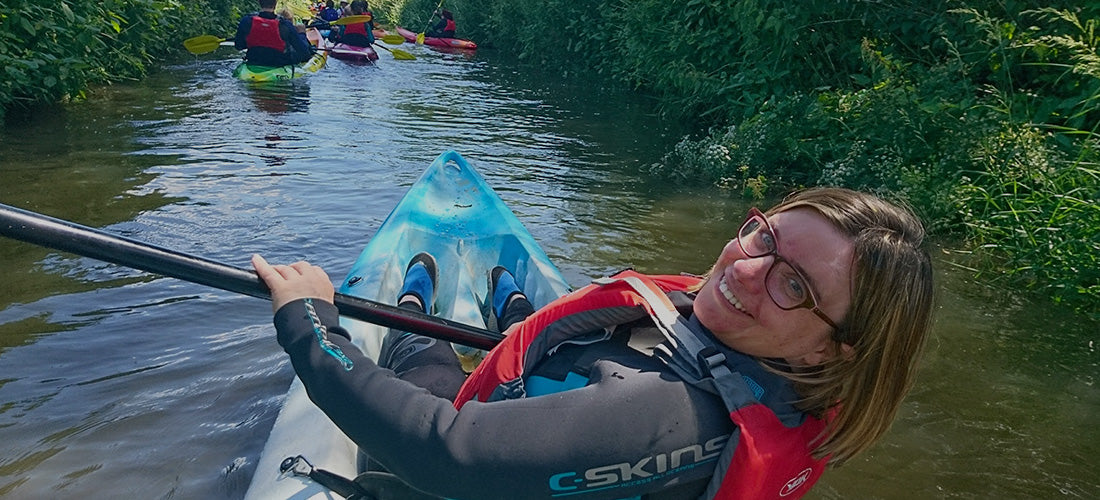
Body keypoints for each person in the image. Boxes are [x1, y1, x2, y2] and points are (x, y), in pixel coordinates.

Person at [251, 187, 935, 499]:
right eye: (764, 237)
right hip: (546, 430)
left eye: (793, 285)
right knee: (536, 328)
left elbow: (446, 454)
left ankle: (409, 302)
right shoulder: (773, 373)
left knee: (415, 354)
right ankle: (513, 306)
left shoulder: (673, 417)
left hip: (464, 464)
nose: (745, 270)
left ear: (832, 350)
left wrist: (309, 321)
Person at [234, 0, 315, 67]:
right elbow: (305, 54)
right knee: (301, 34)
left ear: (259, 2)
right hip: (279, 62)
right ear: (275, 3)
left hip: (254, 59)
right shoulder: (285, 24)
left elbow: (239, 46)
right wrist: (302, 33)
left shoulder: (247, 21)